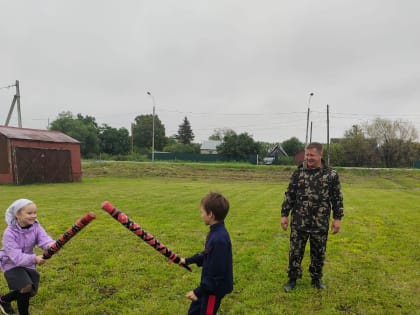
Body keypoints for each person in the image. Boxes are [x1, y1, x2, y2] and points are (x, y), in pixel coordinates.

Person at [280, 142, 344, 292]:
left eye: (312, 155)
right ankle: (292, 279)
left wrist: (337, 218)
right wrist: (284, 215)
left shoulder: (331, 175)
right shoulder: (298, 173)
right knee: (295, 251)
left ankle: (316, 279)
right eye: (307, 154)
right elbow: (290, 195)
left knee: (318, 252)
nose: (308, 158)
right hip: (299, 221)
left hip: (320, 222)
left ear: (320, 155)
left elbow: (337, 198)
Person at [180, 192, 233, 315]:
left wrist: (197, 292)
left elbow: (217, 275)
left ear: (211, 215)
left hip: (213, 291)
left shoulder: (219, 240)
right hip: (207, 287)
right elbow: (207, 255)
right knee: (193, 312)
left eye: (202, 212)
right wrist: (187, 260)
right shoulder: (215, 232)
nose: (201, 215)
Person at [0, 199, 55, 315]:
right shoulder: (9, 233)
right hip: (10, 263)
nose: (33, 216)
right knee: (26, 286)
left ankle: (4, 300)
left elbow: (44, 239)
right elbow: (16, 257)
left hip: (27, 262)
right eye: (29, 213)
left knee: (31, 291)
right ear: (17, 215)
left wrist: (51, 245)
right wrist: (35, 258)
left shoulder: (35, 227)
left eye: (35, 212)